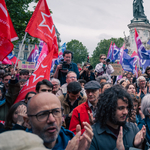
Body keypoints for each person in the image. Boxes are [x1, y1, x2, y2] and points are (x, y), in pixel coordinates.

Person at [26, 92, 93, 150]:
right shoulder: (19, 146)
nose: (52, 119)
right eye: (43, 114)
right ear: (27, 121)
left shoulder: (71, 140)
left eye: (56, 112)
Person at [89, 85, 146, 150]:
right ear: (108, 109)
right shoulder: (92, 135)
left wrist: (138, 145)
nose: (126, 112)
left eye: (127, 108)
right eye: (121, 108)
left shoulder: (132, 128)